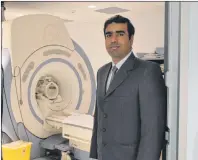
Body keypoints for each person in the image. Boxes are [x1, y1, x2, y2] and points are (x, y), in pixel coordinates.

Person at [89, 15, 167, 160]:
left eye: (120, 34)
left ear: (131, 39)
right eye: (108, 35)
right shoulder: (102, 72)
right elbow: (99, 117)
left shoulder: (147, 71)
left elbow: (153, 130)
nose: (113, 40)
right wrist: (95, 154)